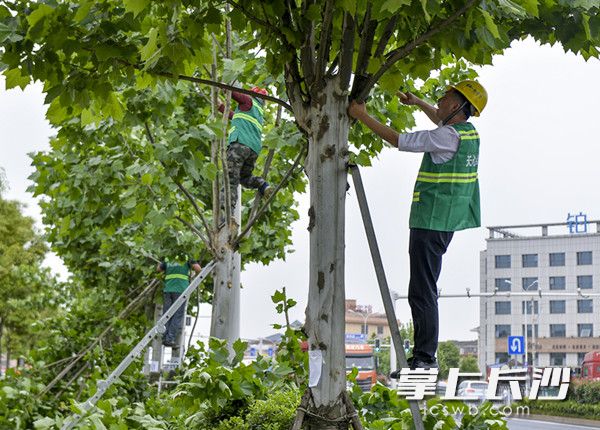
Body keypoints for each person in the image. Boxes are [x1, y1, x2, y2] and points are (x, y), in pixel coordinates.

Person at [348, 80, 487, 371]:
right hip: (444, 221)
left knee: (422, 291)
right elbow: (440, 120)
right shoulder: (467, 133)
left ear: (458, 106)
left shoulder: (447, 137)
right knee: (425, 288)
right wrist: (417, 102)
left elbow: (400, 140)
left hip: (431, 219)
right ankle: (425, 356)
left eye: (445, 97)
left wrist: (361, 115)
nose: (439, 100)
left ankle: (424, 358)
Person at [219, 87, 273, 214]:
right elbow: (234, 116)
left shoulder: (248, 101)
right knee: (244, 177)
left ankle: (226, 212)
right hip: (253, 150)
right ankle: (262, 184)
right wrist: (220, 106)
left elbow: (233, 93)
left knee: (230, 178)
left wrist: (222, 86)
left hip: (240, 145)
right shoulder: (256, 111)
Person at [156, 259, 202, 347]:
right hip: (180, 289)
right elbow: (198, 269)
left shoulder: (168, 258)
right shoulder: (187, 257)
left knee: (167, 314)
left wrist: (161, 262)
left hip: (168, 289)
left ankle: (165, 336)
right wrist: (192, 276)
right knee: (177, 315)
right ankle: (169, 339)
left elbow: (158, 269)